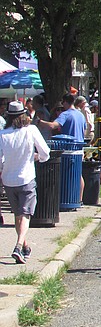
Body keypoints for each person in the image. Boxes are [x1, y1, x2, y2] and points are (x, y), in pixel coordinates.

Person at [0, 101, 50, 264]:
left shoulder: (3, 134)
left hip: (8, 179)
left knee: (17, 215)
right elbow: (45, 151)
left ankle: (25, 247)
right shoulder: (31, 130)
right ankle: (18, 245)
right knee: (26, 214)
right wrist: (39, 158)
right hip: (26, 177)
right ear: (24, 115)